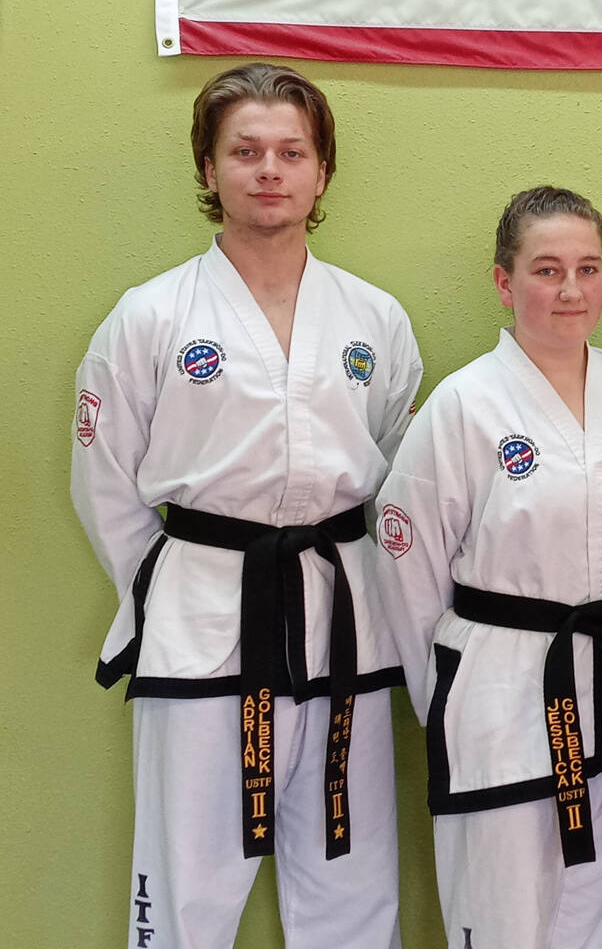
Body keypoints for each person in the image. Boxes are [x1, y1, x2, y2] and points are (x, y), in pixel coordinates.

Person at [71, 63, 422, 948]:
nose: (269, 170)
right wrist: (166, 582)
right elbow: (105, 480)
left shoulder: (374, 320)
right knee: (190, 879)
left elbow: (395, 482)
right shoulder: (150, 316)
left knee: (350, 874)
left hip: (344, 624)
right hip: (203, 621)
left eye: (291, 151)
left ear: (322, 172)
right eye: (246, 151)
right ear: (207, 168)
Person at [374, 186, 602, 949]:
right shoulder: (464, 404)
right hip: (499, 692)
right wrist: (447, 692)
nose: (571, 290)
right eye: (546, 270)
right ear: (504, 283)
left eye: (588, 268)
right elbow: (408, 571)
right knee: (502, 914)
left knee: (598, 911)